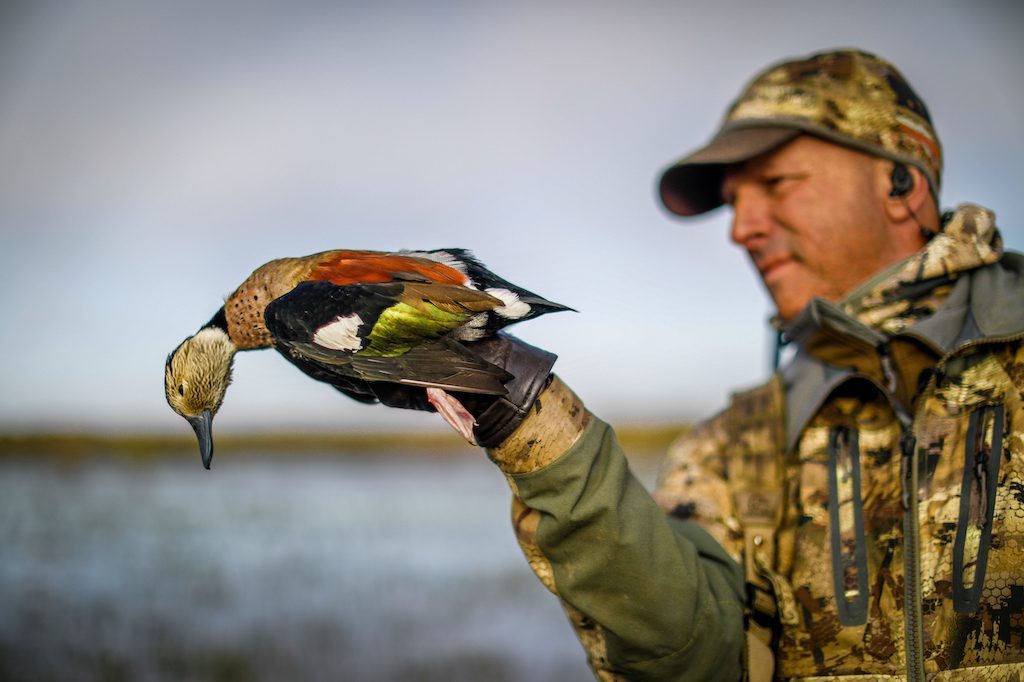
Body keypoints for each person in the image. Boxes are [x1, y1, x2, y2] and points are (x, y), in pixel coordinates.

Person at [376, 49, 1024, 680]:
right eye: (735, 202)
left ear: (901, 184)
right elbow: (692, 660)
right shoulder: (725, 451)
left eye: (776, 184)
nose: (741, 229)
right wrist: (523, 413)